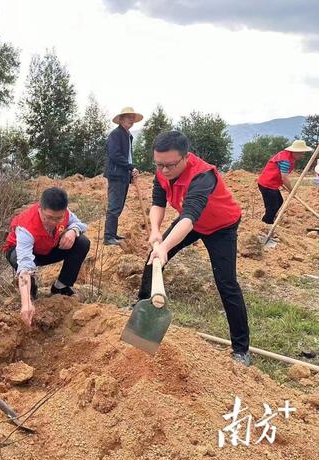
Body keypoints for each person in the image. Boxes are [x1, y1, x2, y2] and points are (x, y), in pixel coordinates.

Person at [137, 131, 251, 366]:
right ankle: (140, 307)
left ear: (186, 157)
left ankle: (241, 349)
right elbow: (158, 203)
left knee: (226, 283)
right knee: (153, 258)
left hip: (220, 226)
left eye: (170, 165)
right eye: (159, 165)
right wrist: (156, 231)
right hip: (190, 222)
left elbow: (189, 217)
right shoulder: (162, 172)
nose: (164, 170)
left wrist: (166, 247)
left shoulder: (202, 177)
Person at [2, 187, 90, 326]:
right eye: (49, 218)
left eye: (58, 218)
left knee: (82, 242)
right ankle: (30, 294)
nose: (54, 222)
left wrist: (73, 230)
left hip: (47, 247)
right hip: (20, 252)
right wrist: (26, 303)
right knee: (23, 265)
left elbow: (79, 224)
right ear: (40, 209)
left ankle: (61, 287)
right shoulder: (27, 226)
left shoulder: (64, 213)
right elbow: (25, 265)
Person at [104, 106, 142, 245]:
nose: (131, 120)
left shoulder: (127, 135)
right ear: (121, 119)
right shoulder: (116, 134)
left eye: (132, 118)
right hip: (116, 175)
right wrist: (130, 167)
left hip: (123, 175)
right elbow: (115, 155)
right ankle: (108, 237)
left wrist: (130, 171)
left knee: (118, 206)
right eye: (128, 118)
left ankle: (112, 234)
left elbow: (128, 157)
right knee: (114, 206)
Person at [257, 140, 313, 224]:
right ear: (295, 152)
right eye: (301, 153)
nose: (302, 155)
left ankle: (270, 218)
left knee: (279, 201)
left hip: (272, 184)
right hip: (267, 184)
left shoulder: (286, 155)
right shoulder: (285, 160)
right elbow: (284, 178)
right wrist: (291, 189)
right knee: (272, 207)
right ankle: (266, 223)